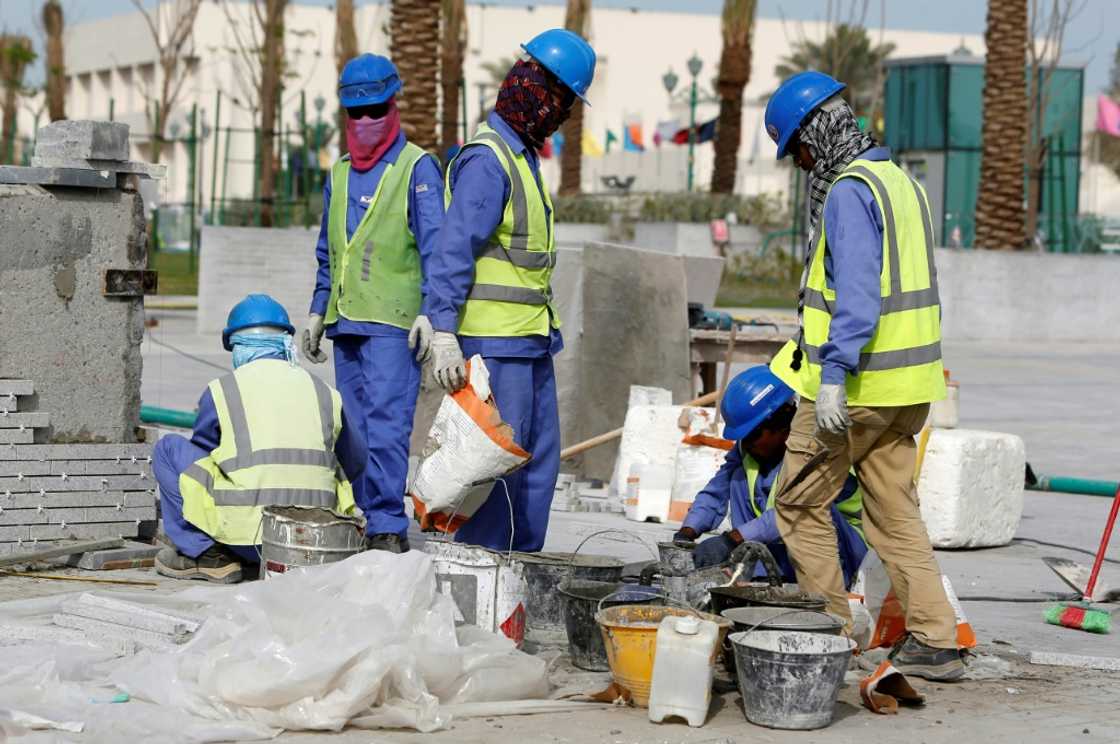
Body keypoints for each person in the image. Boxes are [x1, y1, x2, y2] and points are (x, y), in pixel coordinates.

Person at [763, 71, 961, 681]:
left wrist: (832, 375)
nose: (800, 166)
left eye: (797, 151)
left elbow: (857, 295)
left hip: (856, 390)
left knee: (796, 502)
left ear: (814, 136)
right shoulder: (901, 182)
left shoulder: (850, 191)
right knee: (892, 511)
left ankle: (827, 633)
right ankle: (936, 639)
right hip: (910, 389)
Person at [418, 29, 596, 552]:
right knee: (495, 466)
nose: (561, 114)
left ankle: (523, 565)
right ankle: (487, 570)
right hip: (495, 347)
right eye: (560, 100)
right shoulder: (489, 159)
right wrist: (444, 329)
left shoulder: (521, 156)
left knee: (537, 463)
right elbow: (453, 252)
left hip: (530, 343)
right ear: (536, 89)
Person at [301, 54, 444, 553]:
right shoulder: (338, 174)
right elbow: (329, 248)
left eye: (375, 111)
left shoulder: (417, 168)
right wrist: (319, 310)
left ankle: (387, 525)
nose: (365, 122)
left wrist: (435, 313)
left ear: (393, 105)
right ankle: (365, 515)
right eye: (355, 114)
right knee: (354, 432)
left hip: (394, 323)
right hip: (347, 322)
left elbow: (437, 249)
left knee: (387, 427)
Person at [153, 295, 365, 584]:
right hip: (313, 540)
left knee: (169, 449)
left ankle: (206, 555)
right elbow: (356, 459)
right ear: (285, 343)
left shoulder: (223, 390)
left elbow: (204, 457)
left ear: (236, 347)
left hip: (245, 539)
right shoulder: (324, 391)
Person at [672, 366, 867, 584]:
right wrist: (688, 532)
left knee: (815, 506)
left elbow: (795, 511)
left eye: (753, 435)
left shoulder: (819, 447)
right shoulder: (749, 448)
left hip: (844, 549)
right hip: (786, 546)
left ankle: (822, 584)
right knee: (736, 479)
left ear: (782, 425)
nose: (746, 443)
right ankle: (755, 572)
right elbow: (716, 490)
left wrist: (732, 540)